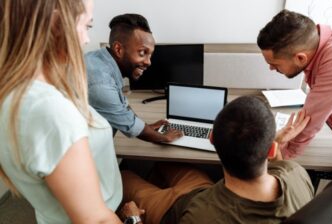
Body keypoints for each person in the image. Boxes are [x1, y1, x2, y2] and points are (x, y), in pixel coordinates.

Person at [0, 1, 143, 223]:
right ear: (57, 23)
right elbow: (95, 220)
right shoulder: (48, 111)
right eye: (87, 26)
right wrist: (134, 220)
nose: (86, 40)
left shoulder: (19, 92)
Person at [122, 96, 314, 224]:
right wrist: (274, 141)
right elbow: (278, 166)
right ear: (272, 149)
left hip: (174, 210)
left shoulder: (200, 218)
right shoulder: (296, 173)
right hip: (203, 192)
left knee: (124, 175)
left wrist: (133, 220)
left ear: (211, 139)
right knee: (165, 162)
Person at [257, 9, 332, 175]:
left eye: (275, 64)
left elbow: (309, 121)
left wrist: (281, 158)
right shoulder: (321, 40)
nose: (270, 68)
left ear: (300, 58)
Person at [84, 14, 183, 142]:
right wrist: (164, 138)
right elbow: (130, 126)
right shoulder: (101, 82)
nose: (148, 62)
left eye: (150, 55)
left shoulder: (99, 59)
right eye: (142, 53)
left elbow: (122, 108)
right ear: (118, 49)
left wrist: (147, 127)